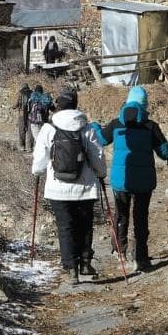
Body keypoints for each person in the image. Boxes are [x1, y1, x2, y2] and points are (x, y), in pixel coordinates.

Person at [93, 86, 168, 273]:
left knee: (121, 215)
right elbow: (164, 152)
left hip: (121, 180)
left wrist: (95, 127)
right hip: (144, 181)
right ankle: (141, 257)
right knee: (141, 218)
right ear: (145, 104)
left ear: (127, 102)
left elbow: (100, 140)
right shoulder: (151, 126)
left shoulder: (116, 124)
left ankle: (120, 251)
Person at [32, 89, 106, 283]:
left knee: (65, 228)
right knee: (85, 226)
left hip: (57, 189)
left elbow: (40, 160)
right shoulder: (87, 128)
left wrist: (37, 172)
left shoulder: (48, 128)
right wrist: (101, 174)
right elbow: (97, 157)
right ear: (75, 105)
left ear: (58, 106)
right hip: (85, 189)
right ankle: (85, 263)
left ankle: (71, 268)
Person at [13, 83, 32, 151]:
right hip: (30, 114)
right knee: (30, 130)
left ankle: (22, 146)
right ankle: (30, 147)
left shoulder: (20, 93)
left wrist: (13, 107)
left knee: (21, 130)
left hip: (22, 114)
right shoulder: (31, 93)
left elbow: (15, 104)